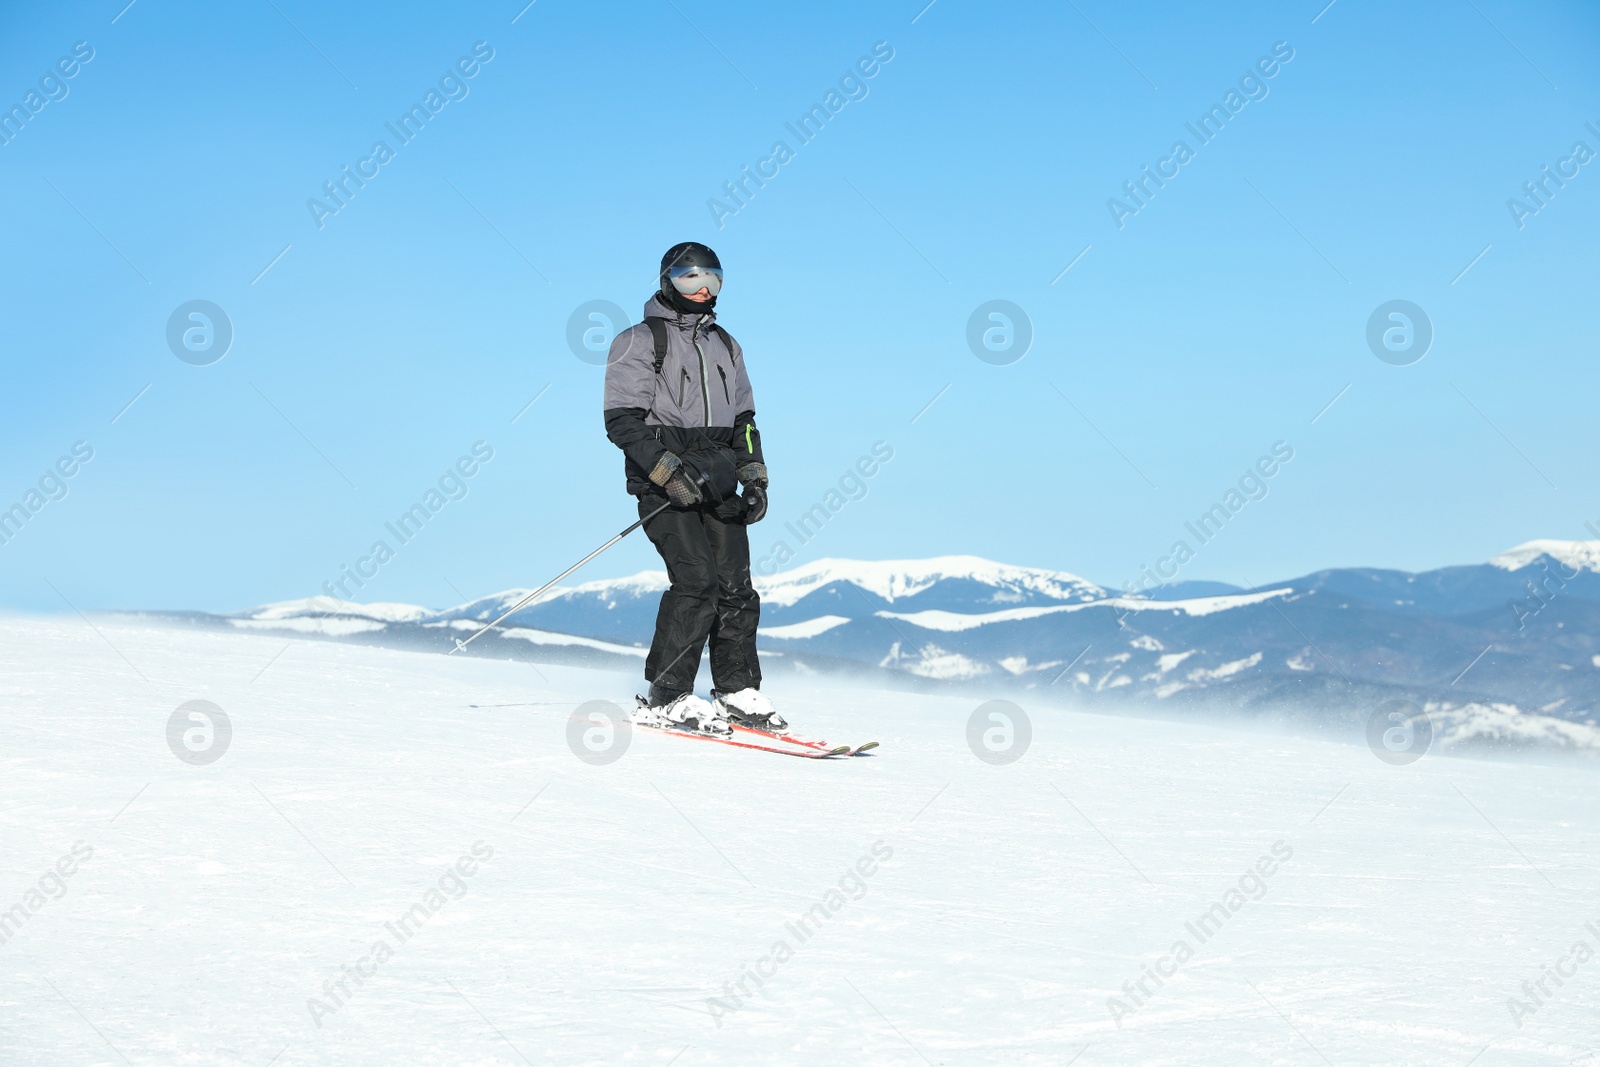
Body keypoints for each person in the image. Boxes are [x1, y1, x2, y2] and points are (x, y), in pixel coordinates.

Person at [602, 242, 784, 735]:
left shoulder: (726, 344)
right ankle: (667, 694)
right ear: (667, 281)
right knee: (696, 582)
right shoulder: (639, 341)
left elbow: (744, 419)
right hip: (666, 484)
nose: (702, 290)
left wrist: (754, 475)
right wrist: (666, 474)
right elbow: (622, 422)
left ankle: (735, 688)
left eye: (712, 281)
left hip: (719, 478)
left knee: (736, 587)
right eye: (689, 279)